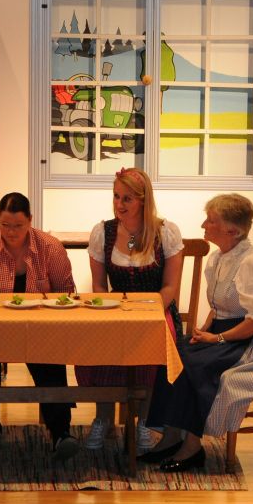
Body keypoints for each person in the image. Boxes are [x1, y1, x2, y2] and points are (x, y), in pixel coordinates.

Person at [138, 194, 253, 472]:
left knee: (197, 365)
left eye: (211, 221)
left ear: (233, 231)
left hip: (251, 341)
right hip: (224, 333)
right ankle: (171, 435)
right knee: (172, 352)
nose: (203, 225)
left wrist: (217, 338)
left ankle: (192, 446)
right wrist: (205, 330)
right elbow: (219, 306)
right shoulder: (218, 258)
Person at [0, 192, 79, 460]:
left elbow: (67, 293)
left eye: (18, 225)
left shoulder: (50, 248)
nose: (11, 232)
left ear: (30, 220)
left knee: (50, 357)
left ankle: (60, 430)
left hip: (40, 327)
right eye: (5, 225)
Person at [75, 167, 184, 451]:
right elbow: (99, 286)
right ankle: (103, 419)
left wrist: (149, 312)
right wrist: (111, 311)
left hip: (156, 311)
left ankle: (145, 422)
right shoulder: (104, 232)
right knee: (96, 343)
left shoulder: (165, 232)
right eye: (116, 196)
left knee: (152, 344)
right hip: (116, 310)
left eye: (127, 199)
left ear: (143, 200)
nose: (119, 204)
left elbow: (170, 287)